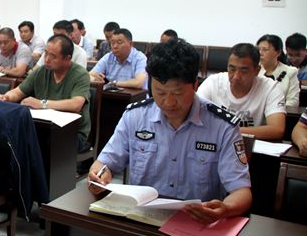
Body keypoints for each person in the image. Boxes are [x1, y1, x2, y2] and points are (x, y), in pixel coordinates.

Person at [88, 39, 252, 224]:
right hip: (141, 221)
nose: (169, 102)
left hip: (196, 223)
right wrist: (98, 177)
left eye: (178, 93)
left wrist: (225, 209)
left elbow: (241, 191)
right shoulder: (135, 116)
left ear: (195, 85)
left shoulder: (222, 126)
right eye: (160, 93)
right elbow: (104, 164)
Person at [0, 34, 90, 151]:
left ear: (67, 59)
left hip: (72, 133)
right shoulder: (41, 71)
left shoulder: (80, 75)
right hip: (43, 127)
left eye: (53, 56)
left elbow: (76, 104)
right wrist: (7, 97)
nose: (46, 59)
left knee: (40, 143)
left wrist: (41, 104)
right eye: (46, 53)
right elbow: (18, 92)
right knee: (13, 135)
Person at [197, 43, 286, 141]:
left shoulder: (271, 88)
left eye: (243, 71)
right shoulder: (213, 82)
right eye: (232, 69)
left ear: (257, 71)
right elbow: (193, 115)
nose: (236, 76)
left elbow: (277, 129)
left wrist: (228, 131)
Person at [256, 34, 299, 107]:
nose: (260, 53)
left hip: (281, 112)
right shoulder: (254, 70)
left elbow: (293, 101)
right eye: (258, 49)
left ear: (278, 52)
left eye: (265, 50)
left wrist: (276, 109)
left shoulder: (290, 72)